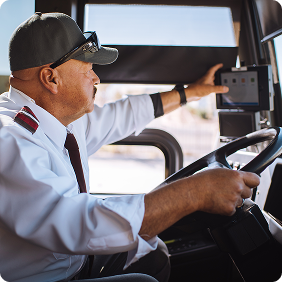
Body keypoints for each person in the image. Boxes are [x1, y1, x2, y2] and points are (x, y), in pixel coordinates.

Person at [0, 12, 260, 282]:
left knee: (154, 251)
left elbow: (124, 114)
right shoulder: (10, 138)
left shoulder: (58, 118)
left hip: (75, 261)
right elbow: (72, 222)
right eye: (88, 69)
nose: (96, 79)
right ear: (51, 79)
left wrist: (189, 93)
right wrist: (194, 192)